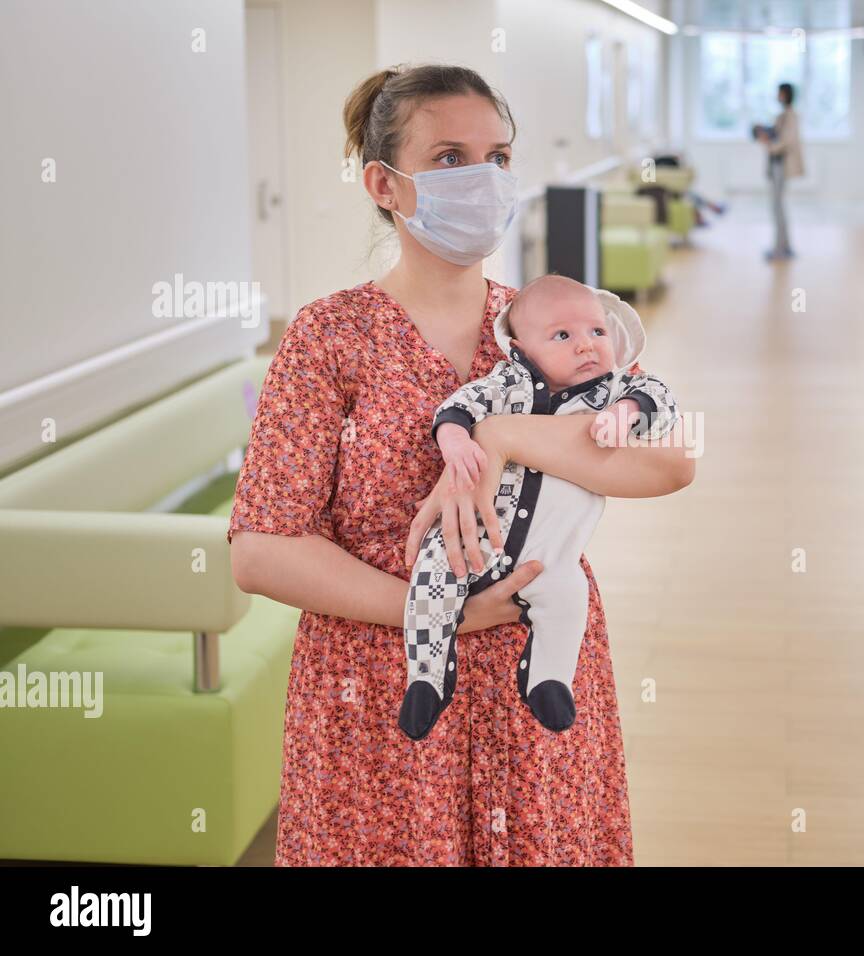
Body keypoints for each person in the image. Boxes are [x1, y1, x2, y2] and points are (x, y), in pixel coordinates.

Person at [226, 63, 695, 866]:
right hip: (378, 694)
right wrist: (439, 613)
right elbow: (260, 549)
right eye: (450, 157)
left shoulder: (550, 325)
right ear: (384, 183)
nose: (483, 178)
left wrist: (508, 437)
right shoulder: (329, 340)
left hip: (535, 680)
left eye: (499, 157)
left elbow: (673, 457)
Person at [401, 275, 678, 737]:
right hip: (474, 542)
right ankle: (426, 678)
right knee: (431, 583)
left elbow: (664, 401)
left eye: (597, 332)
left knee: (568, 599)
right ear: (521, 350)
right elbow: (460, 406)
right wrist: (453, 438)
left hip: (549, 557)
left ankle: (547, 678)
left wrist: (628, 412)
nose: (586, 346)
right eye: (563, 336)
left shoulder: (612, 392)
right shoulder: (507, 384)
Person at [756, 82, 805, 260]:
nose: (777, 96)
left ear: (785, 95)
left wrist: (769, 145)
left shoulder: (791, 116)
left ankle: (780, 249)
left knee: (777, 206)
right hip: (776, 164)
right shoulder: (783, 116)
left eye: (779, 93)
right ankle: (784, 245)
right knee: (777, 206)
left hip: (781, 165)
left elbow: (786, 141)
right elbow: (778, 135)